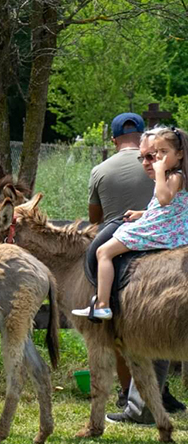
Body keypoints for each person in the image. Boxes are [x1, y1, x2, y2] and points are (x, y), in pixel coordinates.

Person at [74, 126, 188, 321]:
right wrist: (141, 213)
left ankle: (102, 304)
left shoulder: (175, 176)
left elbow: (163, 200)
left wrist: (160, 173)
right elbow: (170, 207)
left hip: (162, 229)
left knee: (104, 252)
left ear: (179, 154)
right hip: (166, 223)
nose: (158, 158)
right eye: (157, 152)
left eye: (164, 152)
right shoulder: (175, 175)